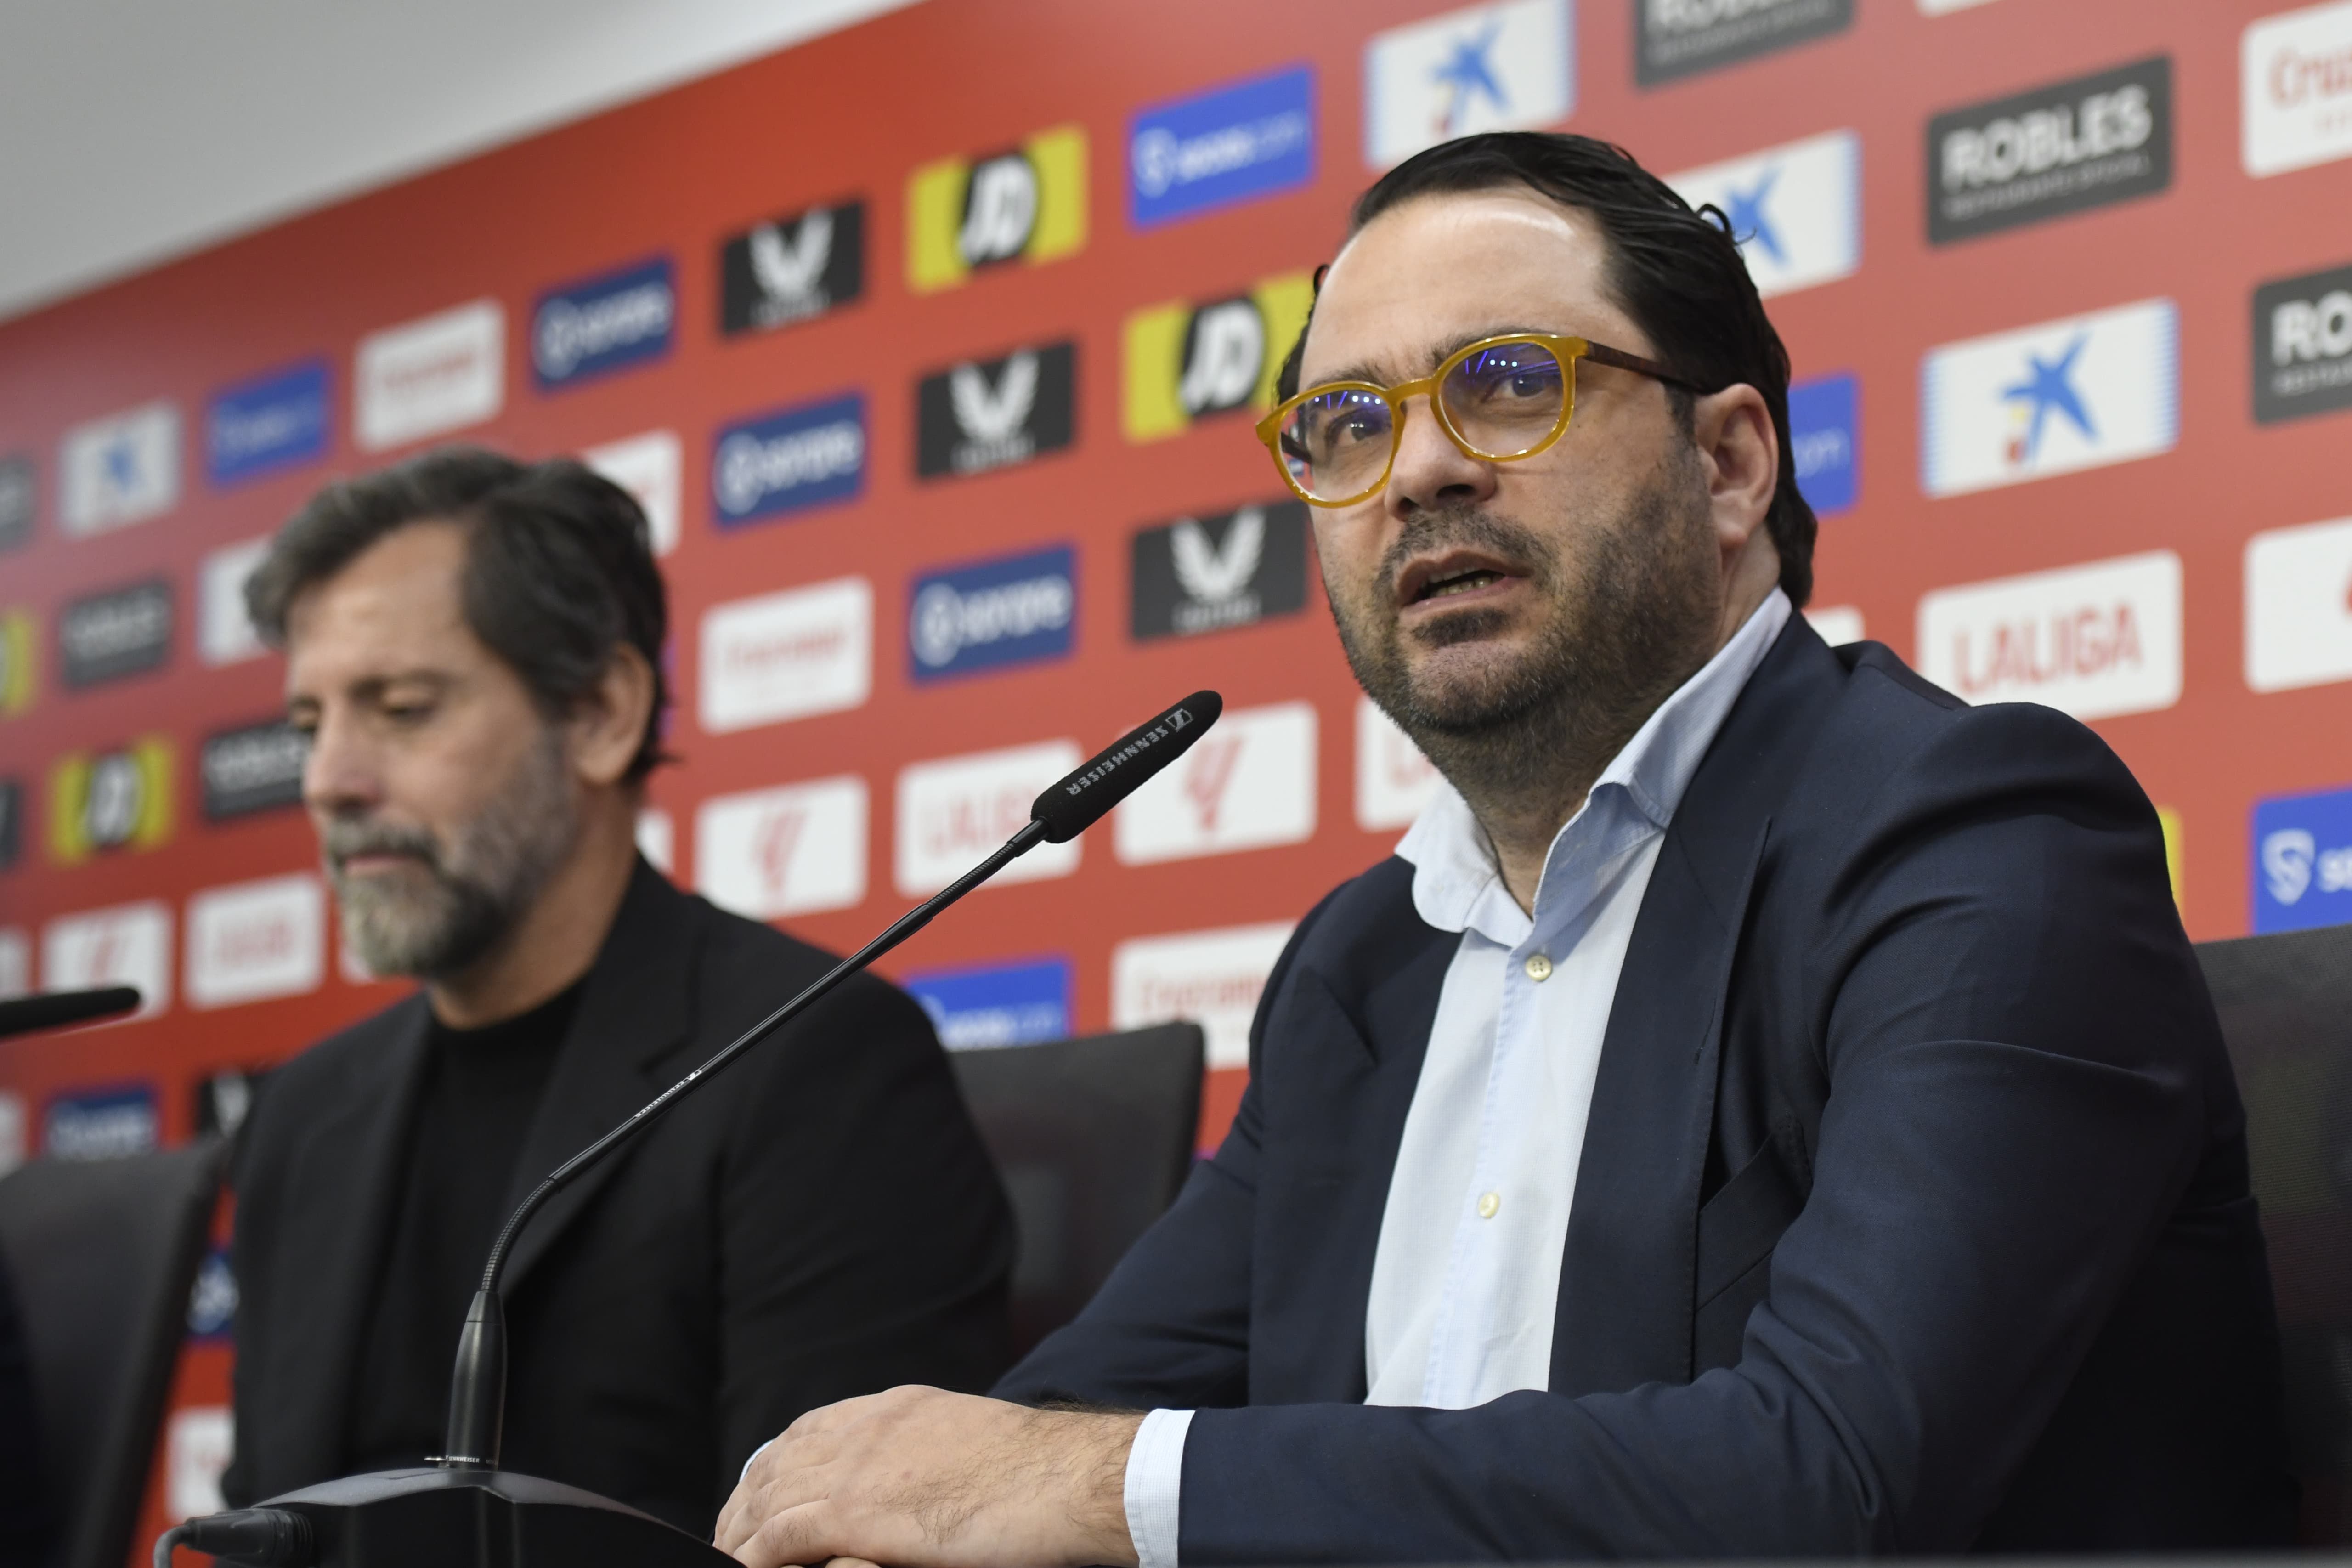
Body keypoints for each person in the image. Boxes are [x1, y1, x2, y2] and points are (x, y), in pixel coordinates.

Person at [716, 132, 2295, 1564]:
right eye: (1345, 424)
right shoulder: (1366, 962)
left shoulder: (1976, 836)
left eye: (1509, 382)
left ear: (1732, 464)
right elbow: (1057, 1422)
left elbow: (1826, 1483)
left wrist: (1095, 1491)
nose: (1417, 471)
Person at [220, 450, 1014, 1534]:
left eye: (401, 709)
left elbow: (834, 1541)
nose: (329, 782)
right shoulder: (302, 1113)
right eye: (311, 727)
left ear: (600, 712)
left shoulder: (814, 1060)